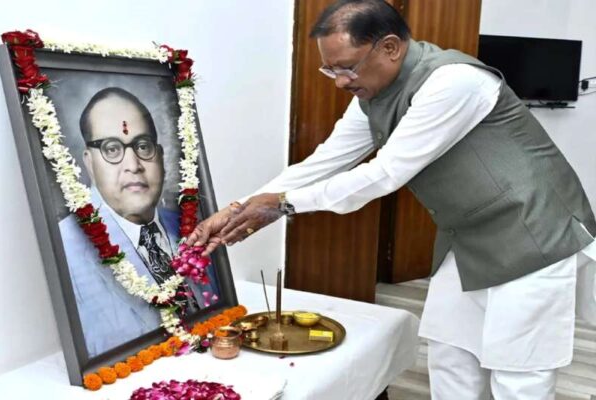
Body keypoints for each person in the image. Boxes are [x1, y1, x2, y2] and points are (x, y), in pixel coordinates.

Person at [187, 1, 596, 399]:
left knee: (518, 372)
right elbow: (324, 162)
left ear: (389, 47)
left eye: (347, 67)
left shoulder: (455, 81)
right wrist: (239, 208)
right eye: (331, 69)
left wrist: (281, 205)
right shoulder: (371, 96)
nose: (340, 81)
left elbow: (385, 174)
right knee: (451, 356)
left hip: (533, 231)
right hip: (467, 237)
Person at [59, 87, 218, 357]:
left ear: (160, 156)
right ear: (89, 162)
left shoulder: (191, 228)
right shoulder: (65, 248)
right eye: (111, 148)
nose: (133, 165)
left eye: (143, 146)